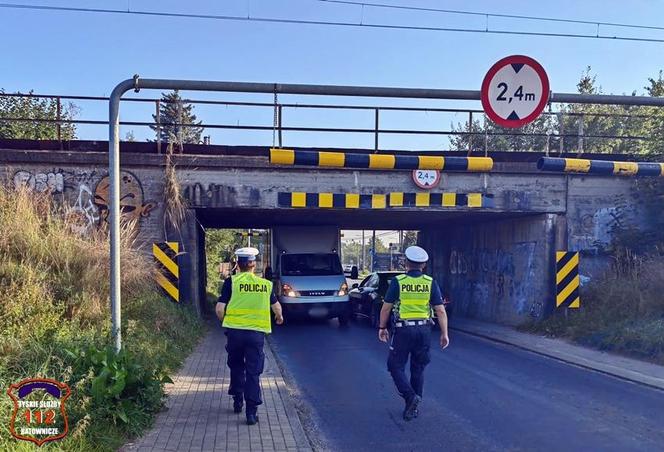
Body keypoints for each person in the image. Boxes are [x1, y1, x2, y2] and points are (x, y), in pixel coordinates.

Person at [378, 245, 450, 421]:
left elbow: (386, 308)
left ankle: (410, 398)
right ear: (423, 265)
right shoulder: (430, 282)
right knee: (418, 369)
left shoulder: (399, 281)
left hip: (404, 331)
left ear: (406, 263)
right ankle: (413, 408)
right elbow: (440, 310)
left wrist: (382, 328)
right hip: (424, 331)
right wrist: (444, 333)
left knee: (395, 366)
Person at [216, 247, 284, 425]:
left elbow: (219, 309)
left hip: (235, 334)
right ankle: (251, 413)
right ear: (254, 265)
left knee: (237, 366)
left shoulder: (231, 282)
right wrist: (279, 317)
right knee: (253, 372)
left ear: (237, 264)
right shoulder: (265, 285)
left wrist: (227, 322)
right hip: (255, 335)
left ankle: (238, 399)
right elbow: (276, 307)